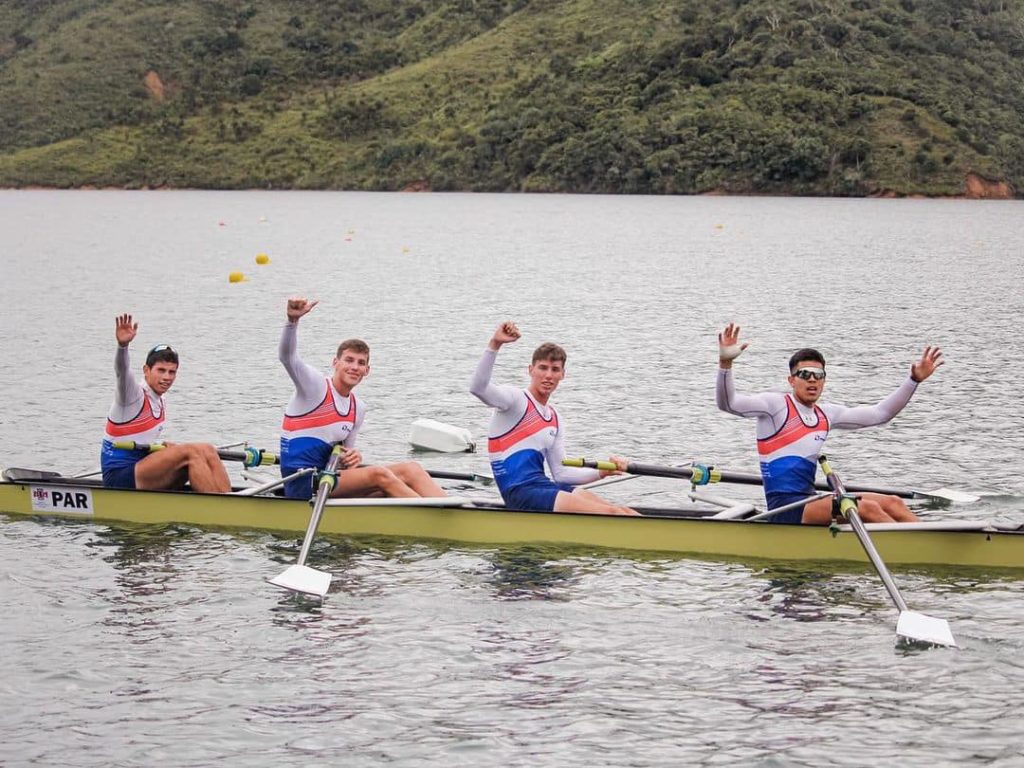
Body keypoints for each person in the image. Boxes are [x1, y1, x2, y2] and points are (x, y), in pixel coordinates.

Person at [715, 322, 944, 524]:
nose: (812, 379)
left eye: (819, 374)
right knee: (868, 508)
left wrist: (913, 380)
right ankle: (911, 548)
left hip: (811, 499)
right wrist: (725, 364)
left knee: (894, 503)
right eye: (805, 374)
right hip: (785, 509)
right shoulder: (775, 406)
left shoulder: (826, 414)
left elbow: (880, 414)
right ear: (791, 380)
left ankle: (936, 540)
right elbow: (729, 404)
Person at [278, 297, 447, 500]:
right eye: (349, 360)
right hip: (302, 482)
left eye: (361, 363)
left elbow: (345, 458)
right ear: (335, 362)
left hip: (329, 478)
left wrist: (353, 457)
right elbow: (287, 358)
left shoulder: (358, 408)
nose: (354, 367)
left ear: (367, 370)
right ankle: (436, 522)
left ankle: (455, 513)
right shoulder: (314, 386)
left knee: (411, 469)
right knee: (379, 475)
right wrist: (292, 321)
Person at [470, 321, 638, 516]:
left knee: (622, 510)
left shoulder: (554, 419)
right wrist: (495, 344)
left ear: (562, 375)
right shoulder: (514, 400)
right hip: (520, 493)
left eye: (555, 369)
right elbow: (478, 388)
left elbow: (562, 474)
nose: (548, 375)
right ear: (530, 370)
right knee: (611, 513)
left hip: (543, 487)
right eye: (543, 368)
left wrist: (602, 473)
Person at [101, 314, 231, 492]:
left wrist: (164, 451)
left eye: (172, 372)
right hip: (120, 476)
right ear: (146, 370)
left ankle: (228, 500)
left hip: (143, 468)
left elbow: (140, 440)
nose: (167, 378)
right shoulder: (131, 394)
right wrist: (123, 346)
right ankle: (221, 509)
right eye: (161, 370)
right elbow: (121, 370)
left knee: (207, 449)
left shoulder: (161, 399)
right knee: (191, 452)